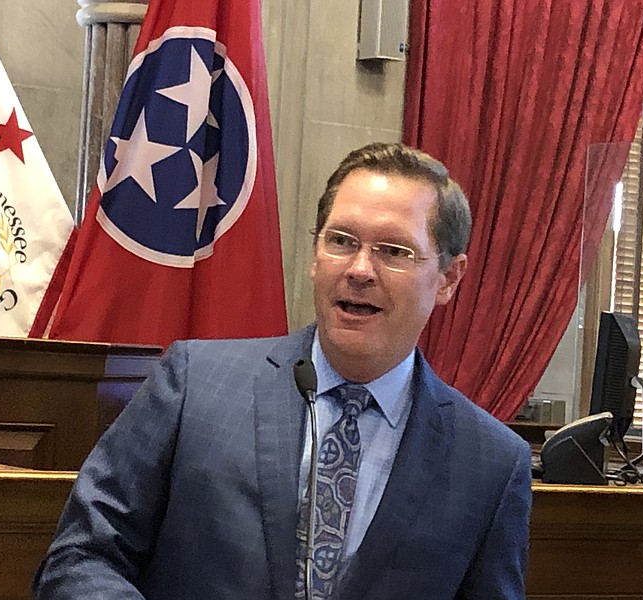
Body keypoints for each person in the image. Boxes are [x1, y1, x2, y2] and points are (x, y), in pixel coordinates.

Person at [33, 142, 532, 599]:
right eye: (341, 241)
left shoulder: (489, 462)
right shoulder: (194, 384)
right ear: (315, 255)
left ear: (447, 278)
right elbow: (81, 556)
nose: (359, 269)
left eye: (393, 251)